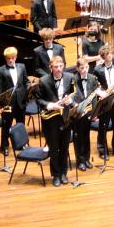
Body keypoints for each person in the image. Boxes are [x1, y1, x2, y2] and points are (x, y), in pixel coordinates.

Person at [38, 55, 76, 186]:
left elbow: (74, 94)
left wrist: (71, 101)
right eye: (55, 67)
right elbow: (39, 100)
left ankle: (63, 173)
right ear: (50, 67)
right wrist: (50, 105)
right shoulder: (43, 81)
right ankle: (56, 174)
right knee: (54, 148)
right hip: (51, 118)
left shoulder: (70, 77)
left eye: (60, 66)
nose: (58, 69)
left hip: (65, 117)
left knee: (64, 147)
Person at [0, 47, 28, 152]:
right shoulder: (0, 70)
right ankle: (4, 146)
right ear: (5, 58)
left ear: (16, 57)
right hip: (8, 103)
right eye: (8, 58)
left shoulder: (22, 67)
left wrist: (29, 88)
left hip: (21, 101)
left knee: (21, 124)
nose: (10, 60)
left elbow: (26, 81)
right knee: (6, 125)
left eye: (12, 58)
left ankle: (22, 144)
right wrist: (0, 105)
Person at [93, 45, 114, 158]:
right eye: (107, 54)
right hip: (106, 100)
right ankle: (102, 150)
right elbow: (94, 85)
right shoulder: (97, 69)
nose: (110, 56)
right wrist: (102, 92)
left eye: (110, 53)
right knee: (103, 125)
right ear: (103, 57)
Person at [70, 56, 100, 171]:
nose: (84, 70)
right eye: (82, 68)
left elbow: (94, 97)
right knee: (78, 137)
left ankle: (86, 159)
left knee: (86, 136)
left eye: (86, 67)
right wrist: (75, 105)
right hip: (78, 113)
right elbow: (69, 96)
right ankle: (80, 161)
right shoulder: (73, 79)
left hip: (88, 112)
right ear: (78, 68)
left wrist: (95, 112)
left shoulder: (92, 78)